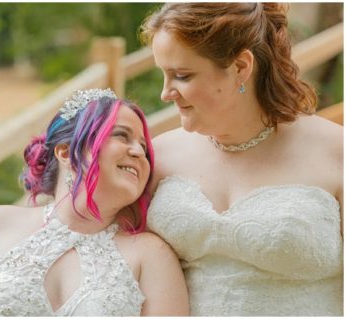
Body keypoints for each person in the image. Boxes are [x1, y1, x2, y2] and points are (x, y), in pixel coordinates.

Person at [141, 3, 343, 316]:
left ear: (241, 67)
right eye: (163, 75)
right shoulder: (158, 156)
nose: (166, 93)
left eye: (181, 75)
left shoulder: (336, 152)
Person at [0, 89, 189, 316]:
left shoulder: (151, 256)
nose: (138, 152)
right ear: (65, 152)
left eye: (143, 147)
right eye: (121, 135)